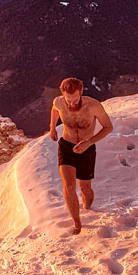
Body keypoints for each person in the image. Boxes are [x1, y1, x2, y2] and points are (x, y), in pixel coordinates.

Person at [49, 77, 113, 234]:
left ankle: (88, 209)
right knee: (69, 186)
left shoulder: (93, 106)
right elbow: (54, 109)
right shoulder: (59, 102)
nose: (71, 104)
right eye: (68, 100)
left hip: (87, 148)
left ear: (81, 93)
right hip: (66, 146)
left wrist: (89, 142)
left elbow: (108, 127)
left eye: (74, 100)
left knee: (85, 187)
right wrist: (52, 127)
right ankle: (77, 222)